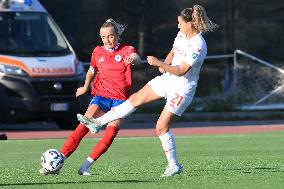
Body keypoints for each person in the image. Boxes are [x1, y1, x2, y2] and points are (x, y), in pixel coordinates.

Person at [78, 5, 218, 177]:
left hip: (182, 88)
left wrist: (160, 64)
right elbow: (173, 52)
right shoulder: (182, 34)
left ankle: (173, 165)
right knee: (135, 98)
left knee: (161, 127)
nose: (178, 26)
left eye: (180, 23)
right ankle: (97, 123)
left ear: (189, 24)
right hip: (168, 79)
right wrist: (165, 65)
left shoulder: (198, 45)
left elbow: (182, 70)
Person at [39, 18, 141, 175]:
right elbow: (92, 70)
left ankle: (85, 166)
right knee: (82, 128)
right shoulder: (97, 51)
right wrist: (85, 87)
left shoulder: (126, 49)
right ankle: (58, 163)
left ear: (117, 35)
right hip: (101, 96)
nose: (107, 40)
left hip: (120, 101)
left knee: (109, 135)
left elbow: (136, 58)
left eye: (110, 36)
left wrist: (133, 59)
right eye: (103, 37)